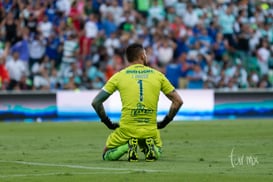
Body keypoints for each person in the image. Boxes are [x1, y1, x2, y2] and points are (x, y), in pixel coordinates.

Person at [91, 43, 183, 162]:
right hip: (150, 128)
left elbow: (96, 102)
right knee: (157, 151)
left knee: (106, 154)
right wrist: (165, 121)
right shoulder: (158, 75)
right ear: (142, 56)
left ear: (128, 58)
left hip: (127, 129)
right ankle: (149, 147)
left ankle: (127, 146)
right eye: (145, 54)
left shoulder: (119, 76)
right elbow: (178, 101)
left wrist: (107, 122)